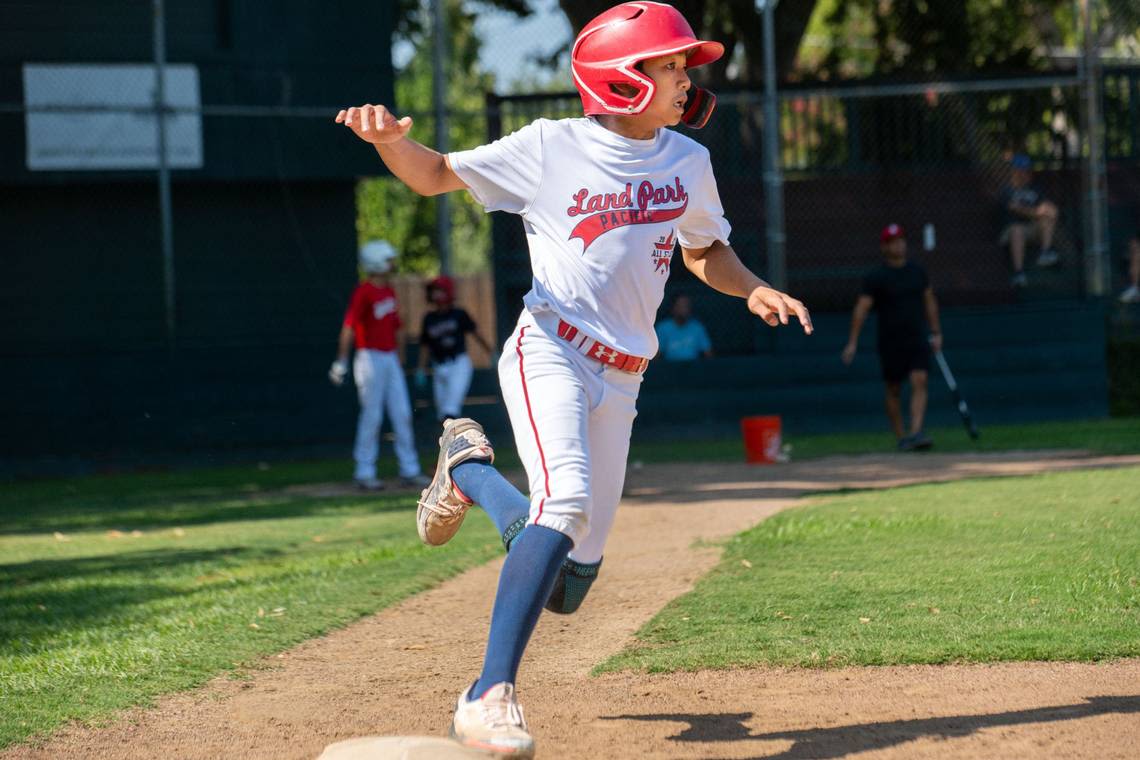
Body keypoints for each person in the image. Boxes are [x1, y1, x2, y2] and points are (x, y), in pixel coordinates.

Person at [335, 3, 811, 756]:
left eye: (685, 66)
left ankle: (467, 470)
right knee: (565, 505)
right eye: (669, 66)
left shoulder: (686, 161)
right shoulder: (551, 147)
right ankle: (487, 694)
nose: (686, 78)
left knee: (569, 584)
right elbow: (432, 176)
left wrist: (749, 286)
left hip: (624, 378)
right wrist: (394, 142)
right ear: (620, 82)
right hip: (550, 350)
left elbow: (704, 251)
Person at [328, 240, 429, 491]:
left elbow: (396, 326)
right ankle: (364, 472)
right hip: (369, 358)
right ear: (377, 262)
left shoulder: (389, 290)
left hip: (389, 358)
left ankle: (409, 470)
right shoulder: (364, 291)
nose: (392, 263)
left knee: (402, 413)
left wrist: (400, 356)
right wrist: (341, 360)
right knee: (372, 416)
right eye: (388, 260)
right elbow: (349, 326)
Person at [842, 224, 943, 451]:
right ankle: (901, 437)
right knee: (893, 388)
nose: (898, 245)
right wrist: (852, 342)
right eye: (892, 241)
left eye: (901, 240)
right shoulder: (876, 277)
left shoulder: (917, 272)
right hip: (891, 341)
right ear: (884, 246)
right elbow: (861, 308)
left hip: (917, 337)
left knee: (920, 380)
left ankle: (916, 432)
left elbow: (929, 301)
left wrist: (936, 332)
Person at [415, 275, 495, 422]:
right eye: (433, 291)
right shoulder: (429, 318)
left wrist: (491, 353)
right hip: (439, 366)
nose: (435, 294)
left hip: (459, 364)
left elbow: (477, 334)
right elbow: (425, 345)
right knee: (443, 415)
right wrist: (420, 368)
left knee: (450, 410)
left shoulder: (458, 314)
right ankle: (449, 443)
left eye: (438, 290)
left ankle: (457, 441)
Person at [999, 153, 1060, 288]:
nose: (1025, 173)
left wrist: (1046, 211)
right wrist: (1037, 212)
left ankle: (1045, 252)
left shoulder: (1035, 189)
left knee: (1047, 216)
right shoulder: (1007, 189)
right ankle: (1019, 274)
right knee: (1017, 230)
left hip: (1032, 228)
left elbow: (1050, 209)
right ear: (1013, 171)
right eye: (1021, 170)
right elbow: (1015, 208)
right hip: (1010, 230)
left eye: (1027, 170)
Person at [654, 293, 713, 360]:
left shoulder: (697, 328)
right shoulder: (663, 328)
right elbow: (656, 356)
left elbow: (708, 354)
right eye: (681, 306)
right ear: (673, 308)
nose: (684, 309)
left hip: (693, 368)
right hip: (670, 368)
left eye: (686, 306)